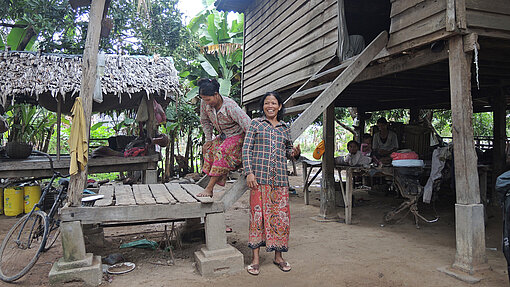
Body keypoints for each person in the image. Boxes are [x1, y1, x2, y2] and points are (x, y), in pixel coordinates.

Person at [242, 91, 294, 275]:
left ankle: (278, 257)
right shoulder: (255, 124)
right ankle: (255, 260)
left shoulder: (285, 127)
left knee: (281, 218)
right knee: (257, 218)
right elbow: (246, 149)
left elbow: (288, 150)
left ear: (279, 106)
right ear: (263, 106)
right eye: (267, 103)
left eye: (273, 103)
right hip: (259, 180)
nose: (270, 106)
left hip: (280, 180)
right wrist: (249, 173)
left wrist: (293, 151)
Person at [197, 78, 251, 197]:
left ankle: (209, 188)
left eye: (208, 99)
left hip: (238, 136)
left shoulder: (231, 107)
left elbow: (248, 125)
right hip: (223, 136)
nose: (206, 102)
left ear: (216, 94)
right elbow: (205, 121)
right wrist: (209, 140)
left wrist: (249, 148)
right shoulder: (204, 103)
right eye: (204, 100)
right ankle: (214, 178)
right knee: (210, 150)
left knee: (222, 151)